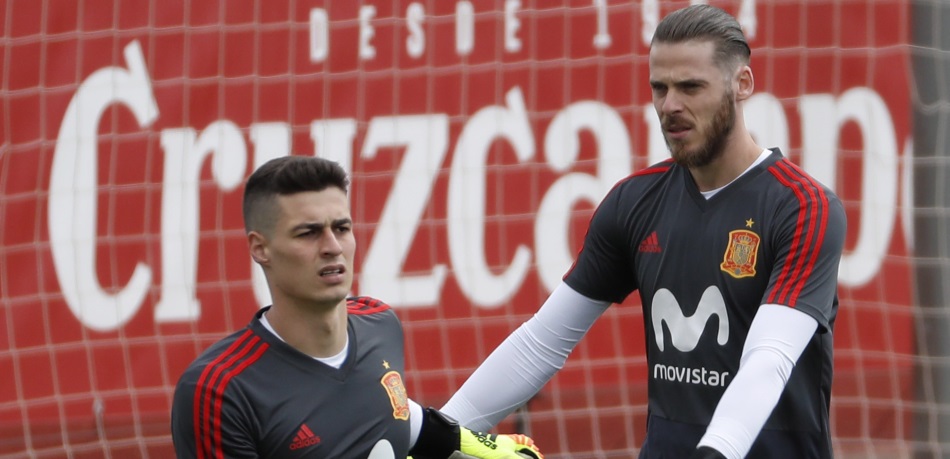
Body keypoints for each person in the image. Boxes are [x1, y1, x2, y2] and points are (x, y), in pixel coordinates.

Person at [440, 4, 845, 459]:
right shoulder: (633, 204)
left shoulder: (803, 206)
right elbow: (541, 343)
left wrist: (714, 451)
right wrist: (435, 437)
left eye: (691, 87)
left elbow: (768, 360)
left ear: (742, 84)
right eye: (660, 88)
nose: (671, 105)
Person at [170, 155, 544, 459]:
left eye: (342, 227)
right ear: (260, 248)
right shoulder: (219, 391)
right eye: (309, 232)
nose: (332, 246)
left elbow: (394, 417)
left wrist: (484, 450)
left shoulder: (378, 323)